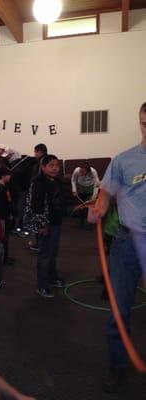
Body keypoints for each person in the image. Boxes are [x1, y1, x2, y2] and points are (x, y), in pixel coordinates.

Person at [94, 102, 146, 394]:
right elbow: (106, 195)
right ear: (139, 122)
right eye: (144, 123)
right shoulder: (124, 160)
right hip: (127, 243)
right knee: (119, 309)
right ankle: (118, 368)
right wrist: (98, 210)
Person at [30, 155, 65, 298]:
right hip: (46, 224)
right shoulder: (38, 182)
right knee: (44, 254)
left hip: (56, 222)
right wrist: (42, 225)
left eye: (57, 165)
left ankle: (51, 277)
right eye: (51, 165)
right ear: (43, 167)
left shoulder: (56, 181)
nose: (55, 168)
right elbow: (36, 205)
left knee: (53, 252)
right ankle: (42, 285)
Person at [28, 144, 48, 251]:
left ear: (40, 152)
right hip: (39, 192)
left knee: (38, 218)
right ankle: (40, 243)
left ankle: (39, 244)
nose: (34, 154)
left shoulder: (42, 162)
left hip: (39, 193)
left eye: (35, 152)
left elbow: (39, 177)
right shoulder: (42, 161)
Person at [0, 168, 14, 265]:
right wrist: (5, 215)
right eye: (8, 175)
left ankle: (5, 257)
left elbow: (8, 201)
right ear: (3, 176)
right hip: (1, 217)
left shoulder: (5, 186)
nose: (10, 176)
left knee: (6, 237)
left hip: (6, 216)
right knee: (2, 238)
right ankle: (1, 259)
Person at [71, 161, 100, 227]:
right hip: (81, 187)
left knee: (88, 206)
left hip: (90, 187)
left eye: (83, 172)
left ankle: (89, 222)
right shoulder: (77, 170)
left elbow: (97, 183)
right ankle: (82, 222)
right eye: (80, 171)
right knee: (81, 206)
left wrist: (94, 196)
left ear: (88, 171)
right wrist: (74, 190)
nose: (81, 173)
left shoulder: (93, 171)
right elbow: (73, 179)